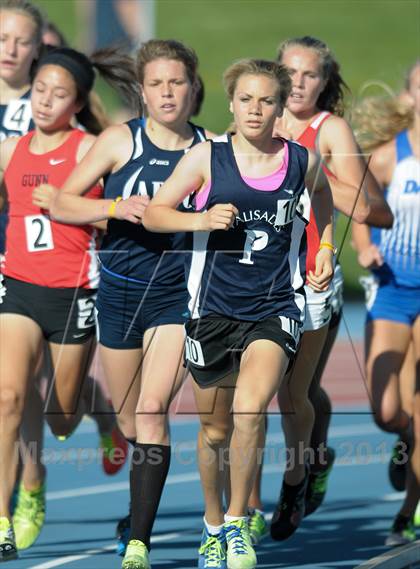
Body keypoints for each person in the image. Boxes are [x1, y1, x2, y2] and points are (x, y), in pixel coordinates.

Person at [141, 55, 384, 568]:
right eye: (246, 99)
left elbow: (320, 198)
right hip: (212, 309)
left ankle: (235, 525)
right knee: (215, 431)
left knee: (252, 409)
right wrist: (201, 217)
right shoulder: (206, 158)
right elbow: (158, 215)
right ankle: (210, 524)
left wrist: (321, 251)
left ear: (280, 109)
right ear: (231, 104)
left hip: (275, 307)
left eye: (266, 100)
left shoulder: (301, 160)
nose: (255, 109)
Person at [51, 39, 211, 569]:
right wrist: (117, 206)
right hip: (119, 292)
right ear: (142, 92)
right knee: (127, 421)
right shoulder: (121, 140)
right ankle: (135, 513)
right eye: (157, 84)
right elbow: (63, 201)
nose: (168, 93)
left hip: (177, 296)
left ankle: (139, 541)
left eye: (177, 82)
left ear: (194, 88)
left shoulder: (213, 149)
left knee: (152, 411)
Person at [244, 36, 393, 544]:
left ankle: (296, 477)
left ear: (325, 82)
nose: (300, 83)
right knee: (260, 394)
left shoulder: (329, 130)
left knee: (291, 392)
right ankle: (257, 496)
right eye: (291, 72)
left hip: (311, 277)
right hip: (259, 277)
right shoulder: (256, 118)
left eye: (311, 75)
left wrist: (314, 169)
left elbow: (371, 209)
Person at [0, 44, 139, 560]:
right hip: (16, 286)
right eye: (39, 90)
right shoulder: (11, 150)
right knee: (9, 397)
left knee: (61, 418)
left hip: (74, 291)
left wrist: (68, 207)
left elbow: (117, 217)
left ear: (77, 102)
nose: (45, 101)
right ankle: (11, 511)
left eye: (59, 94)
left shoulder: (88, 149)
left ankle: (100, 414)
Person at [352, 61, 420, 546]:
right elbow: (359, 201)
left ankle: (411, 507)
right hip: (393, 289)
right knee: (388, 410)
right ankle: (404, 440)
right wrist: (363, 247)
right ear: (409, 94)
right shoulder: (387, 156)